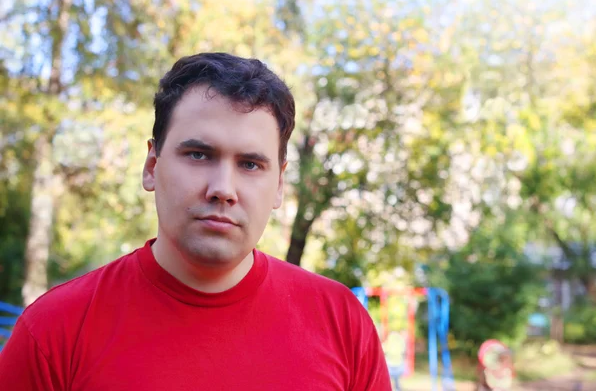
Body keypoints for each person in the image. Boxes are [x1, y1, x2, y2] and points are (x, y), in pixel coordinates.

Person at [0, 52, 392, 390]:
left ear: (279, 185)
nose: (223, 189)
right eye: (199, 155)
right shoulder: (54, 331)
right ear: (152, 165)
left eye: (251, 164)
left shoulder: (342, 323)